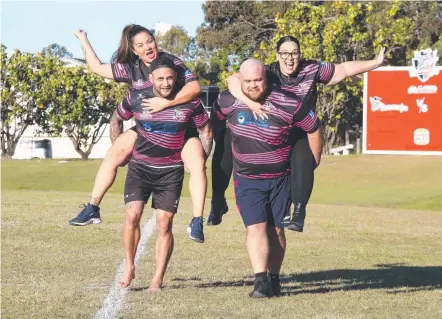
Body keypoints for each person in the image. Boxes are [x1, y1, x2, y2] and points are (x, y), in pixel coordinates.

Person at [209, 36, 385, 232]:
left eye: (294, 53)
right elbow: (233, 80)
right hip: (272, 132)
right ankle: (217, 200)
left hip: (300, 131)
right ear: (277, 56)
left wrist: (375, 63)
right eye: (284, 54)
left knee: (302, 153)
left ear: (300, 55)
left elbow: (343, 70)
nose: (289, 58)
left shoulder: (312, 68)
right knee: (227, 139)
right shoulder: (267, 72)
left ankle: (299, 212)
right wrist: (250, 103)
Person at [69, 25, 209, 242]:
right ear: (134, 50)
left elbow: (195, 89)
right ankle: (93, 207)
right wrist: (83, 39)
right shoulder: (131, 69)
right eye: (141, 45)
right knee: (114, 153)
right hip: (148, 127)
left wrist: (166, 102)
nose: (148, 47)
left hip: (181, 128)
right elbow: (96, 67)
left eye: (150, 41)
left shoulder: (172, 63)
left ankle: (197, 221)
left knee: (198, 164)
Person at [212, 59, 322, 297]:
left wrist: (313, 162)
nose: (253, 85)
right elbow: (215, 125)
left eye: (258, 80)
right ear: (240, 80)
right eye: (248, 81)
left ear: (266, 78)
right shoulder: (227, 101)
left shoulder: (288, 103)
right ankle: (260, 280)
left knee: (277, 230)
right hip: (247, 178)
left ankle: (274, 278)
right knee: (255, 227)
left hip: (281, 178)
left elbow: (313, 127)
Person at [113, 56, 212, 289]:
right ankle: (129, 266)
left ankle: (157, 278)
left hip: (170, 172)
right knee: (131, 216)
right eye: (161, 79)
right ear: (151, 79)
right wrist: (119, 149)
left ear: (176, 78)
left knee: (164, 224)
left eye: (170, 78)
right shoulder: (136, 98)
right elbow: (116, 118)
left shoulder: (190, 102)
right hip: (140, 168)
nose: (166, 83)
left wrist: (200, 157)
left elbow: (206, 130)